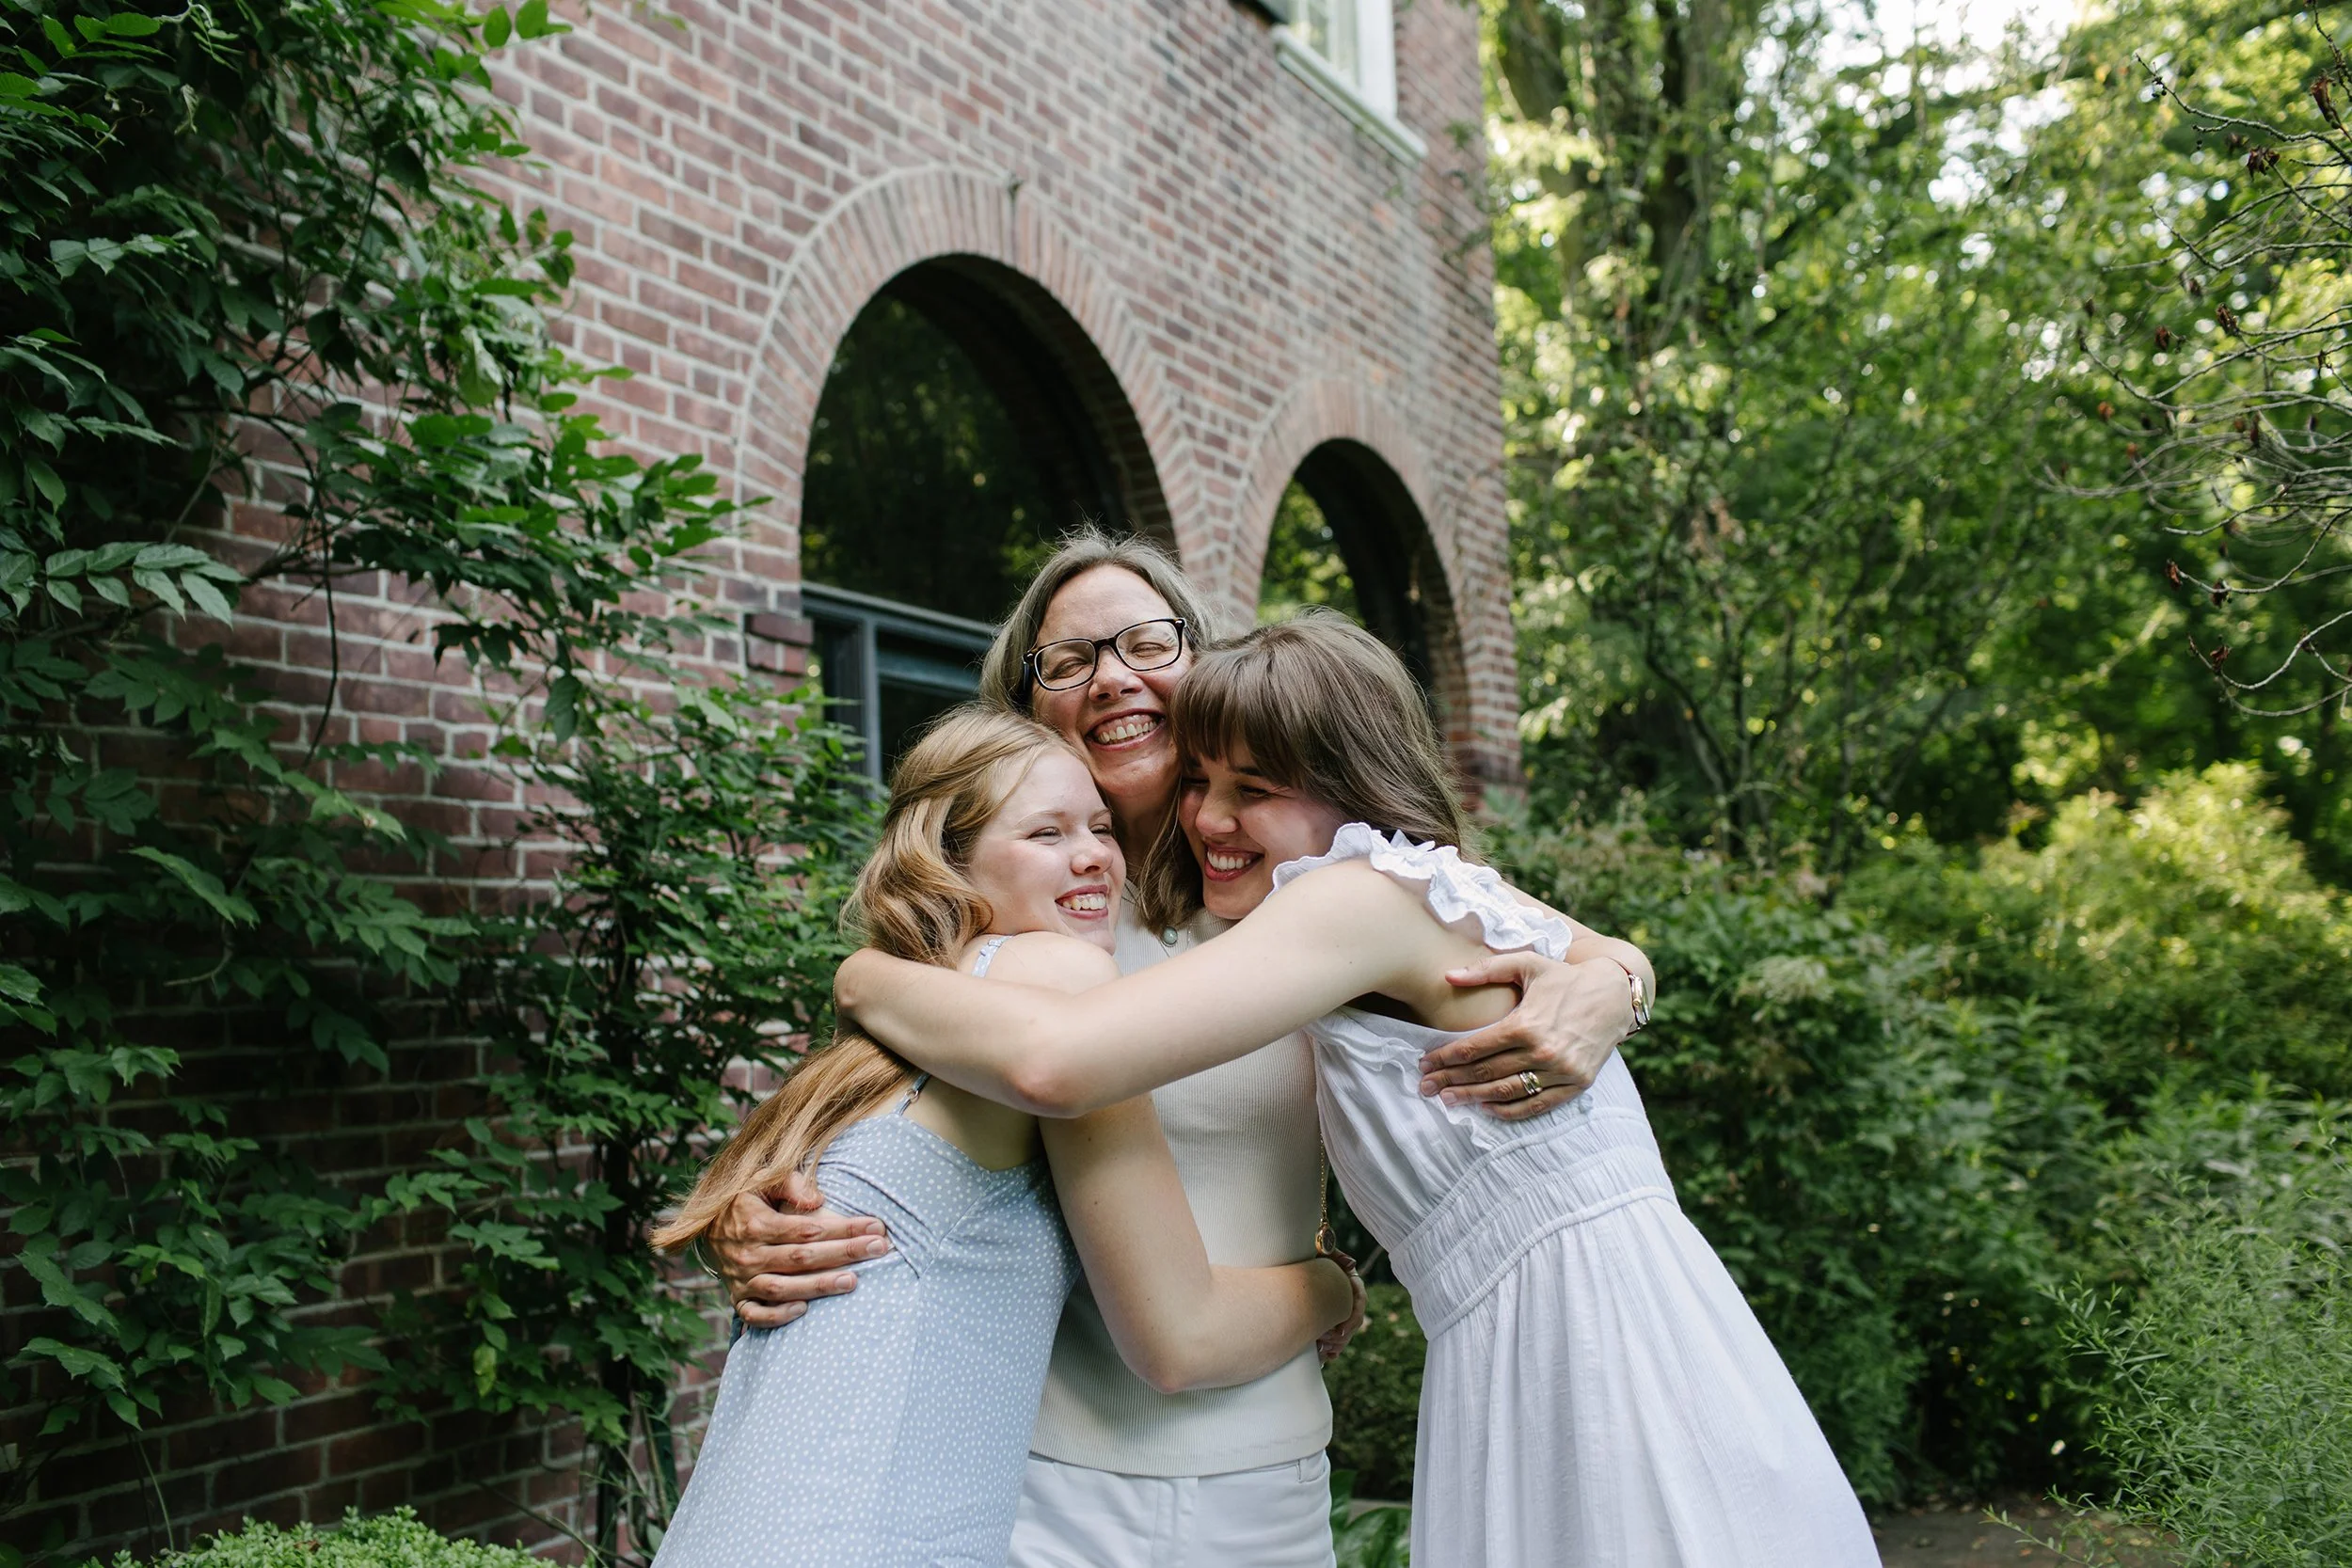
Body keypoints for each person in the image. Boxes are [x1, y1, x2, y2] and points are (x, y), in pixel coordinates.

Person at [834, 614, 1882, 1568]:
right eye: (1199, 781)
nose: (1211, 816)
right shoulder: (1402, 888)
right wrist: (1619, 974)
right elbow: (1602, 951)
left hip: (1593, 1349)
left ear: (1354, 784)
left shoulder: (1351, 898)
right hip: (1550, 1334)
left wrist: (864, 972)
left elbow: (1059, 1063)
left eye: (1255, 787)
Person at [710, 532, 1648, 1567]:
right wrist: (764, 1203)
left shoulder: (1309, 877)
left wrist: (1613, 983)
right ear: (1028, 709)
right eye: (1067, 660)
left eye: (1145, 641)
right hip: (1041, 1478)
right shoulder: (1024, 915)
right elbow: (878, 1133)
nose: (1113, 675)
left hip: (1267, 1470)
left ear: (1198, 663)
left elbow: (1559, 940)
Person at [651, 708, 1359, 1568]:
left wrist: (859, 973)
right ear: (948, 862)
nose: (1095, 853)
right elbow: (1184, 1334)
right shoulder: (1058, 977)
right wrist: (1335, 1285)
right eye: (1047, 833)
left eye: (1099, 827)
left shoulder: (912, 1015)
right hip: (862, 1530)